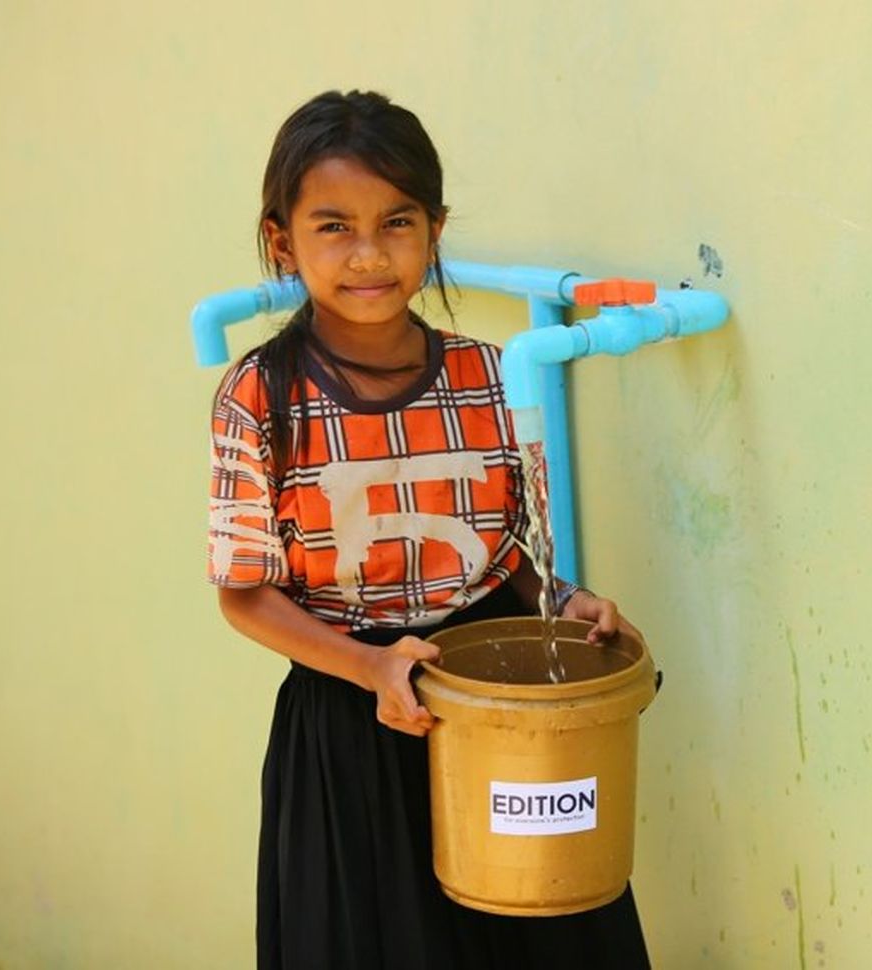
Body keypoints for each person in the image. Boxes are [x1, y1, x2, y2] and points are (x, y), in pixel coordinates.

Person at [207, 89, 651, 970]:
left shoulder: (488, 379)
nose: (369, 254)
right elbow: (245, 595)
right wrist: (374, 666)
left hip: (499, 711)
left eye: (397, 222)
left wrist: (569, 604)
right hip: (350, 729)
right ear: (281, 240)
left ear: (434, 230)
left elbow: (510, 558)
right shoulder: (260, 397)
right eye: (333, 226)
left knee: (545, 933)